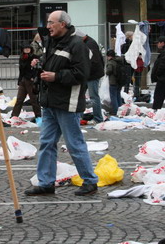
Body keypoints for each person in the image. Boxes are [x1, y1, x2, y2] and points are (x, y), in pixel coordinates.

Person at [24, 10, 98, 197]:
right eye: (48, 22)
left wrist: (56, 76)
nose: (48, 26)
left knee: (74, 144)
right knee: (46, 143)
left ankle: (90, 181)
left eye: (51, 22)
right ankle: (46, 183)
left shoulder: (76, 45)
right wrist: (39, 63)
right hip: (50, 102)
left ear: (62, 24)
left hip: (68, 104)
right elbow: (54, 65)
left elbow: (81, 74)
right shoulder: (52, 42)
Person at [77, 31, 105, 123]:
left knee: (93, 97)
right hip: (90, 74)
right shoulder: (89, 42)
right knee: (82, 96)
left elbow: (92, 60)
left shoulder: (89, 44)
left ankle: (98, 118)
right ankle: (80, 117)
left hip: (91, 75)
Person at [11, 42, 41, 123]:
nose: (27, 50)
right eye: (25, 48)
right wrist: (19, 81)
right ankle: (14, 115)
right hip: (23, 80)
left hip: (30, 80)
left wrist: (33, 77)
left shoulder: (34, 57)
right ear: (23, 50)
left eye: (28, 48)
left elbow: (37, 69)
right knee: (19, 99)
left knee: (33, 100)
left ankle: (38, 116)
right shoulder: (22, 57)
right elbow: (21, 70)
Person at [105, 49, 124, 116]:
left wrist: (106, 72)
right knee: (118, 95)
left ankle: (115, 111)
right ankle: (120, 109)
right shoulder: (119, 60)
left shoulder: (111, 62)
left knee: (113, 96)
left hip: (113, 81)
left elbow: (109, 71)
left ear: (109, 56)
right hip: (120, 81)